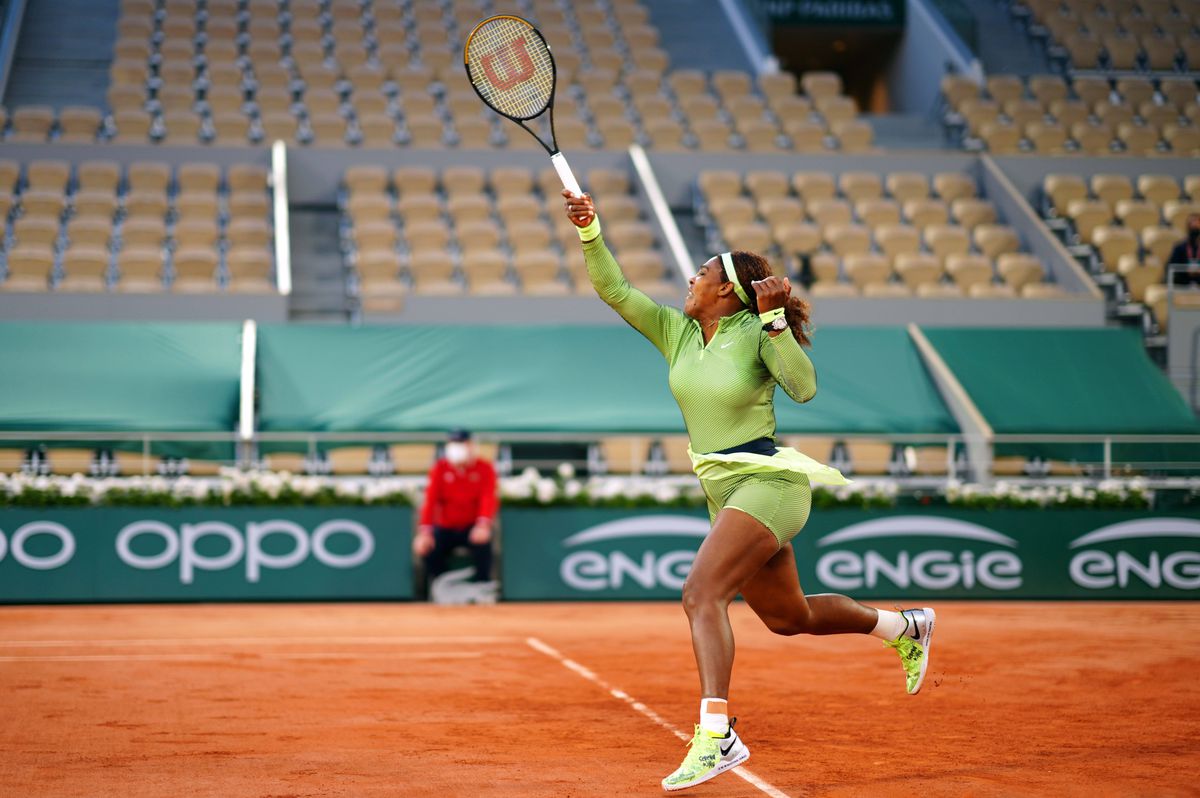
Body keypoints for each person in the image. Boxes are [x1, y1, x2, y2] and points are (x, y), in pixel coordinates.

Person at [562, 189, 936, 793]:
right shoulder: (677, 332)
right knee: (791, 617)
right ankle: (905, 626)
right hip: (724, 491)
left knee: (701, 593)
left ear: (728, 292)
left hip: (767, 483)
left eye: (703, 273)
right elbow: (615, 291)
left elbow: (804, 387)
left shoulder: (757, 332)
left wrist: (773, 321)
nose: (691, 278)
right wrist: (590, 230)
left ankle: (716, 736)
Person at [412, 429, 498, 591]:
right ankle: (445, 585)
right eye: (453, 443)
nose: (456, 448)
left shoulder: (484, 468)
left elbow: (488, 498)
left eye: (461, 443)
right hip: (446, 527)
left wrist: (483, 524)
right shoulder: (440, 468)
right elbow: (430, 501)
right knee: (427, 548)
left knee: (484, 545)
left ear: (471, 446)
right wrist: (424, 532)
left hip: (472, 527)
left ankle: (482, 586)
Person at [1166, 213, 1200, 286]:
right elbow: (1172, 268)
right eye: (1191, 223)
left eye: (1197, 223)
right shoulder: (1180, 248)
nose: (1194, 225)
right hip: (1183, 286)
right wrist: (1186, 270)